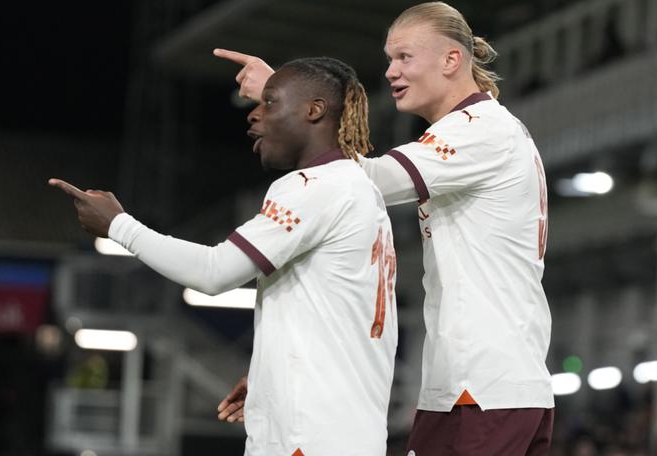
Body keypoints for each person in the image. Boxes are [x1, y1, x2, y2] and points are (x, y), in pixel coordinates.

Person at [214, 2, 554, 455]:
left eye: (405, 57)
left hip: (482, 388)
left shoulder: (481, 130)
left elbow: (356, 179)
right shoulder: (483, 129)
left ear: (452, 60)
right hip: (479, 386)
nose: (391, 71)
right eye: (390, 58)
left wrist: (285, 101)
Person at [50, 56, 398, 456]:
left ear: (314, 110)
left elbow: (214, 272)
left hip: (310, 438)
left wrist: (119, 226)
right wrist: (271, 375)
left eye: (270, 103)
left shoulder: (314, 187)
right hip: (346, 431)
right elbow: (335, 312)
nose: (254, 116)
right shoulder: (359, 189)